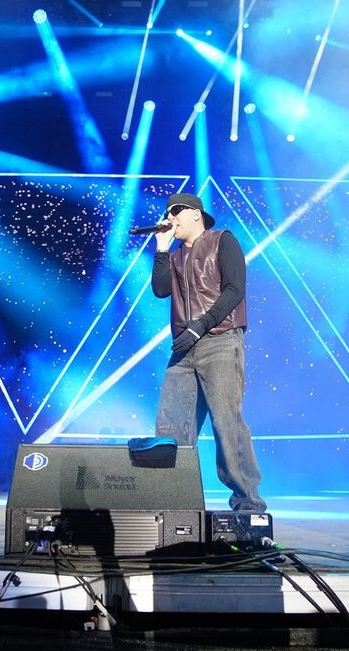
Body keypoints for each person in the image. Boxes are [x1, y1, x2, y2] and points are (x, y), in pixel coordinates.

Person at [151, 192, 266, 512]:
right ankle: (174, 504)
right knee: (171, 426)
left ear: (196, 214)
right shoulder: (174, 256)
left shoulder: (222, 241)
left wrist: (201, 325)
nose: (169, 217)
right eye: (167, 212)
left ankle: (248, 505)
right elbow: (160, 290)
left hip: (219, 340)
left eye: (175, 211)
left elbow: (235, 289)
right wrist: (161, 249)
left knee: (226, 421)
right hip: (183, 348)